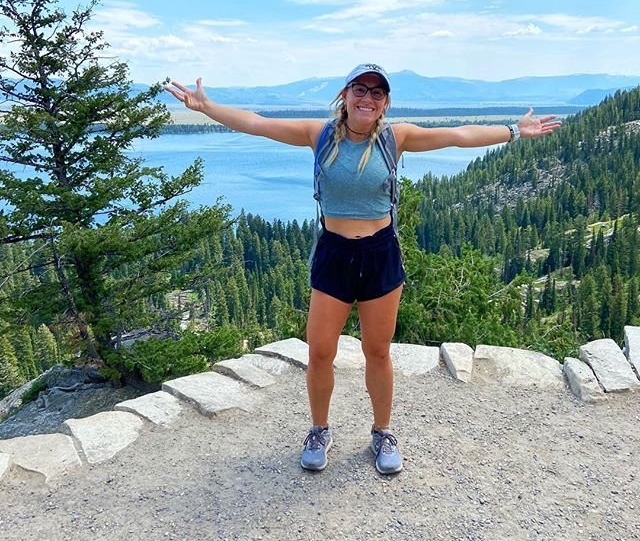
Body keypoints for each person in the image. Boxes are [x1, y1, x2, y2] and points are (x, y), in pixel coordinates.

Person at [165, 63, 561, 475]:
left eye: (376, 92)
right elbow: (257, 123)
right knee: (320, 351)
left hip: (380, 252)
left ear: (385, 103)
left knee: (378, 351)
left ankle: (382, 432)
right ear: (345, 95)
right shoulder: (318, 135)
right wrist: (207, 107)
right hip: (334, 253)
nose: (367, 98)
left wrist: (514, 131)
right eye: (360, 89)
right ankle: (319, 429)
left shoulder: (396, 138)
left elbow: (459, 135)